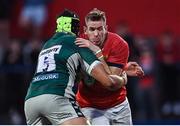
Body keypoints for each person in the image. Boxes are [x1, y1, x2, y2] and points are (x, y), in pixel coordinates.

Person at [24, 9, 126, 125]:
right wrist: (123, 79)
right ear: (75, 27)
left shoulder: (46, 45)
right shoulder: (77, 43)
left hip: (30, 101)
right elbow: (109, 82)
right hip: (56, 98)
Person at [75, 8, 144, 125]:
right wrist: (124, 75)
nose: (96, 34)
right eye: (92, 29)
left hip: (118, 104)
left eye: (100, 29)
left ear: (106, 28)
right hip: (89, 106)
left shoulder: (119, 44)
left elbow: (111, 82)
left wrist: (97, 52)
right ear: (85, 30)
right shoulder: (78, 44)